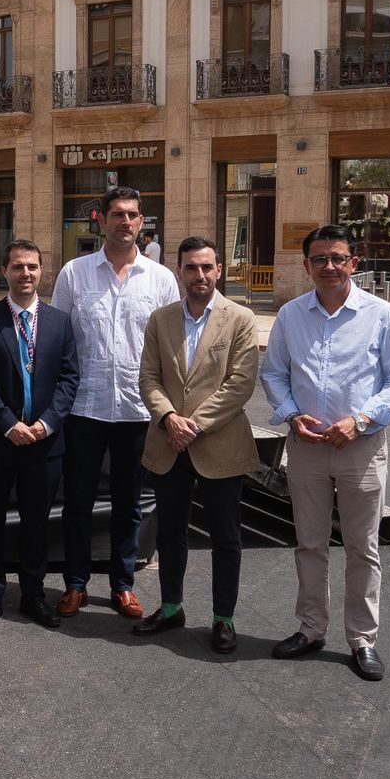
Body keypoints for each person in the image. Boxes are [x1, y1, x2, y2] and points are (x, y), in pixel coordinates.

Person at [262, 224, 390, 682]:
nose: (328, 266)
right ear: (306, 265)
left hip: (360, 449)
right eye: (319, 259)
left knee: (362, 548)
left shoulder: (381, 314)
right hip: (306, 448)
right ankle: (311, 630)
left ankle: (362, 640)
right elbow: (273, 374)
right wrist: (291, 415)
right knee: (309, 543)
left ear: (354, 262)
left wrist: (362, 420)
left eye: (338, 258)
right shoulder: (290, 315)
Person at [50, 185, 180, 620]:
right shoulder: (74, 274)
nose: (126, 222)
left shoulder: (161, 280)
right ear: (101, 220)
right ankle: (75, 583)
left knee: (128, 503)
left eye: (133, 215)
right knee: (78, 502)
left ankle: (123, 584)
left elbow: (170, 347)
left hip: (137, 410)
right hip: (83, 407)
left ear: (142, 223)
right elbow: (58, 339)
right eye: (118, 215)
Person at [133, 236, 260, 654]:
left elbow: (240, 385)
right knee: (170, 534)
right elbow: (148, 378)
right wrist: (169, 418)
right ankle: (171, 608)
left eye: (207, 267)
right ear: (179, 271)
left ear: (219, 270)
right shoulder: (161, 319)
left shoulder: (240, 318)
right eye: (191, 267)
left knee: (226, 537)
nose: (199, 275)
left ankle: (223, 618)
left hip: (220, 445)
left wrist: (194, 425)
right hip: (168, 444)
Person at [0, 240, 78, 631]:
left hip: (44, 442)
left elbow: (69, 379)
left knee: (36, 522)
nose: (25, 274)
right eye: (17, 267)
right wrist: (7, 424)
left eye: (32, 266)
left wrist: (45, 424)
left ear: (42, 271)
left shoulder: (60, 322)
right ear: (5, 271)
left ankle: (32, 595)